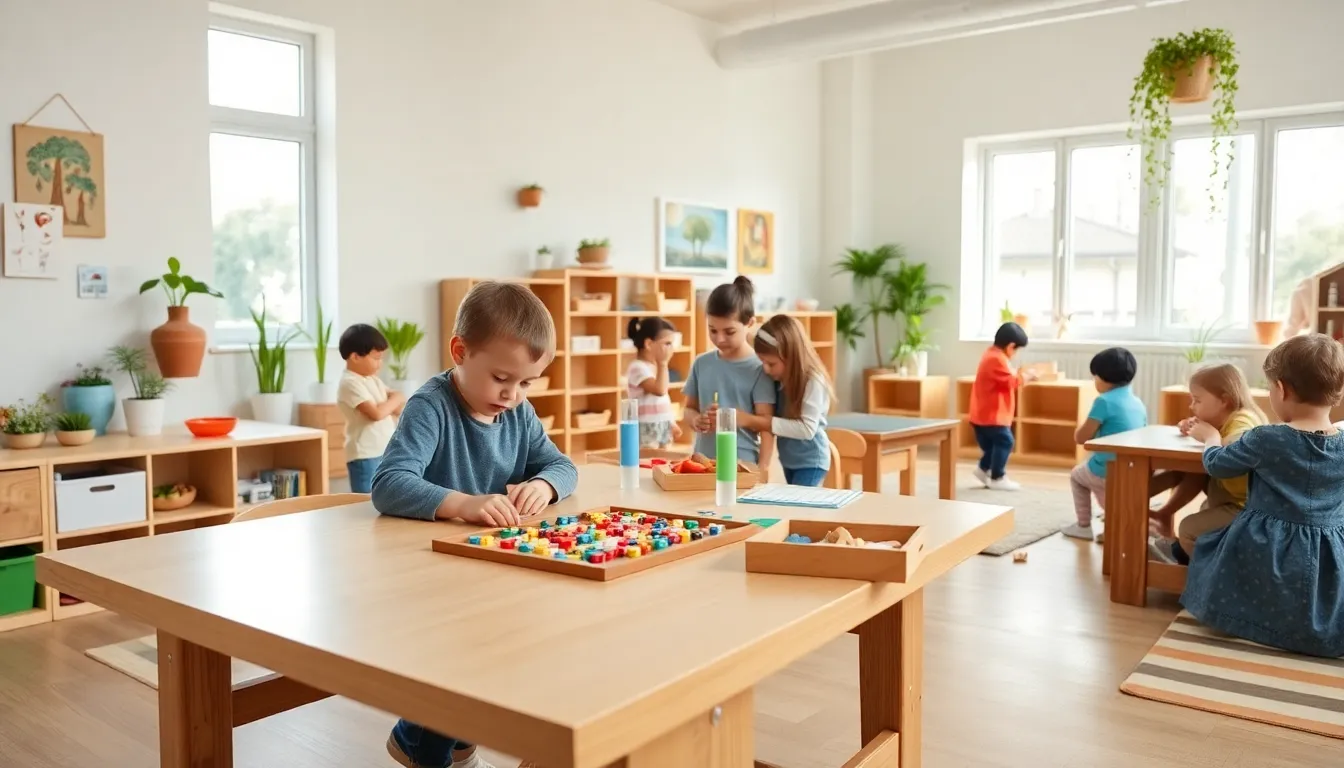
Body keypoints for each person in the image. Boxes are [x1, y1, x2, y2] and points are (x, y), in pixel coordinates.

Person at [372, 281, 578, 768]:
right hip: (434, 573)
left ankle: (454, 746)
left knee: (490, 663)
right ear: (460, 352)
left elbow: (563, 465)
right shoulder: (431, 406)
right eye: (502, 378)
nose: (513, 395)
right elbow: (389, 483)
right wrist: (463, 504)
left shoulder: (519, 414)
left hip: (493, 569)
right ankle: (424, 748)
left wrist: (544, 485)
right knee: (454, 670)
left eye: (527, 384)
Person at [1182, 334, 1344, 658]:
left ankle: (1262, 625)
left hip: (1268, 543)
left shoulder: (1267, 438)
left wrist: (1210, 437)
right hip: (1331, 548)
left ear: (1281, 389)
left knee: (1211, 547)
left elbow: (1217, 465)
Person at [1149, 363, 1265, 563]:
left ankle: (1210, 572)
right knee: (1194, 474)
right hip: (1231, 499)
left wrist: (1210, 436)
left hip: (1246, 508)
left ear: (1224, 400)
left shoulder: (1243, 419)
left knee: (1188, 528)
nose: (1191, 406)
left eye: (1197, 400)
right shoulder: (1225, 419)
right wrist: (1193, 426)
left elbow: (1240, 442)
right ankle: (1175, 541)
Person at [682, 276, 776, 467]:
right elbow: (688, 409)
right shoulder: (701, 363)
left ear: (750, 323)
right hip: (702, 462)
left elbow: (767, 425)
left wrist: (763, 469)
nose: (720, 339)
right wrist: (696, 419)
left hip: (742, 465)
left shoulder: (759, 368)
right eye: (712, 330)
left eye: (729, 332)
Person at [735, 314, 835, 486]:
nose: (766, 369)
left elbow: (807, 429)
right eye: (762, 362)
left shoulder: (812, 381)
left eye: (771, 364)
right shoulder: (779, 380)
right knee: (792, 498)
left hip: (811, 461)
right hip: (790, 460)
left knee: (799, 501)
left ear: (791, 357)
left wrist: (754, 421)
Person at [1065, 347, 1147, 541]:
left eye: (1095, 377)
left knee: (1077, 476)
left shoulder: (1103, 402)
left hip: (1107, 471)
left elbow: (1081, 438)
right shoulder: (1137, 402)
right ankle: (1112, 524)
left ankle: (1083, 526)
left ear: (1103, 378)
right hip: (1132, 469)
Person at [336, 323, 404, 494]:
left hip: (384, 450)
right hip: (365, 455)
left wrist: (393, 401)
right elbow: (376, 413)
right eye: (376, 358)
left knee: (385, 498)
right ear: (355, 357)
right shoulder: (350, 383)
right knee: (366, 501)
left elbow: (397, 409)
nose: (380, 364)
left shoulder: (372, 379)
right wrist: (396, 398)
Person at [968, 322, 1035, 490]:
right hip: (992, 414)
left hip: (984, 413)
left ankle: (983, 469)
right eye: (1016, 350)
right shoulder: (996, 359)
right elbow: (1010, 382)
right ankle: (998, 477)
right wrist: (1027, 377)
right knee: (1005, 441)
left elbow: (1004, 377)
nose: (1015, 354)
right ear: (1011, 346)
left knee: (994, 446)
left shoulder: (991, 354)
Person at [625, 316, 683, 449]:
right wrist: (663, 363)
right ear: (649, 344)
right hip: (646, 428)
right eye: (667, 344)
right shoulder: (637, 368)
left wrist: (671, 422)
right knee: (648, 459)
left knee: (664, 459)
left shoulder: (656, 368)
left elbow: (663, 399)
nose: (672, 349)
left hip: (663, 426)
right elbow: (659, 390)